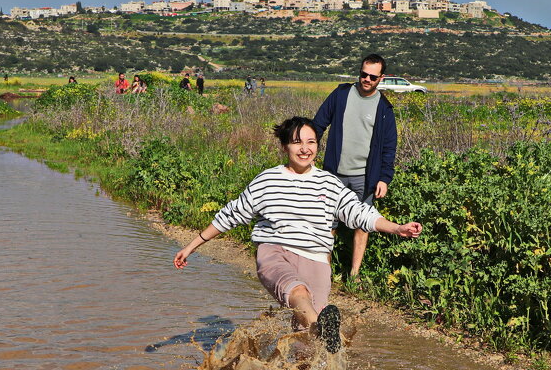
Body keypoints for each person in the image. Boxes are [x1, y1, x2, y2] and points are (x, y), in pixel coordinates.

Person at [173, 116, 421, 350]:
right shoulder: (267, 181)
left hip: (316, 260)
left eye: (311, 142)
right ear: (284, 147)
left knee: (309, 346)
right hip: (275, 253)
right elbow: (231, 214)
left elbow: (359, 213)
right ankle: (319, 328)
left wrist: (397, 228)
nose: (305, 149)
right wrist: (191, 246)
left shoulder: (329, 183)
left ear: (317, 146)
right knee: (300, 294)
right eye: (297, 142)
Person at [312, 53, 396, 279]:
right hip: (334, 174)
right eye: (363, 74)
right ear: (359, 72)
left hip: (365, 177)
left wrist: (384, 178)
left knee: (362, 224)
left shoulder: (385, 109)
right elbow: (318, 124)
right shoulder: (340, 95)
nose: (366, 79)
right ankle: (324, 271)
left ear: (381, 78)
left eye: (372, 77)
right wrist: (306, 151)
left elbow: (389, 148)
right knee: (328, 223)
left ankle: (354, 274)